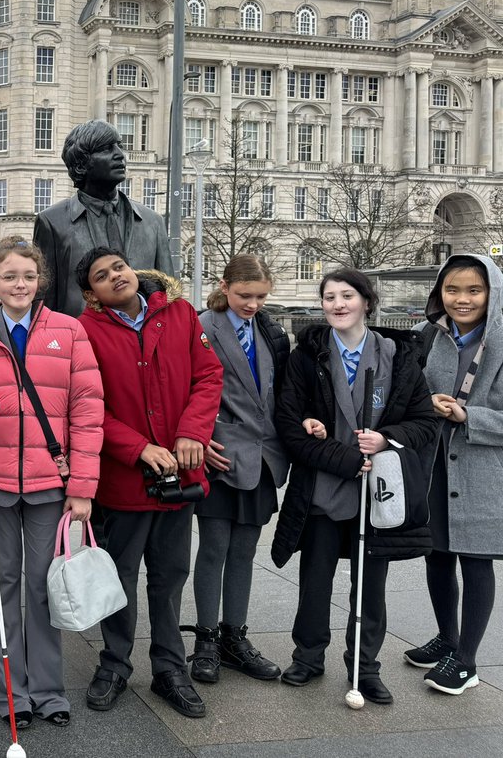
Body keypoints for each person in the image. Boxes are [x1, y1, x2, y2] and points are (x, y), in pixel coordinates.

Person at [0, 237, 104, 728]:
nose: (20, 284)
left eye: (28, 276)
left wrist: (82, 485)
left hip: (50, 483)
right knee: (3, 587)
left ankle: (48, 690)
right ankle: (10, 694)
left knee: (44, 587)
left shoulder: (69, 330)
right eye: (9, 277)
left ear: (41, 282)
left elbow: (87, 410)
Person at [272, 268, 439, 706]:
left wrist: (385, 438)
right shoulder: (306, 357)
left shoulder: (399, 357)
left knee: (370, 584)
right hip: (323, 490)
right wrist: (335, 448)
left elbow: (424, 422)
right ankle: (308, 657)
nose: (338, 304)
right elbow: (290, 424)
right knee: (315, 580)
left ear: (367, 301)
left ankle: (365, 668)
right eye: (329, 297)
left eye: (347, 296)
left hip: (378, 493)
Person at [75, 247, 222, 719]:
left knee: (169, 575)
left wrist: (192, 433)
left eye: (118, 267)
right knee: (119, 577)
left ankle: (169, 669)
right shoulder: (85, 331)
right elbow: (89, 405)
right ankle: (115, 664)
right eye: (102, 276)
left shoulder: (178, 312)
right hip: (126, 479)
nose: (115, 276)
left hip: (179, 475)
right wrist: (137, 447)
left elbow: (208, 376)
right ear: (90, 294)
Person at [185, 255, 289, 686]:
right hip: (221, 454)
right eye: (245, 295)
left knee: (245, 552)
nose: (253, 304)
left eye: (261, 297)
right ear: (224, 286)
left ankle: (234, 638)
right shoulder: (203, 326)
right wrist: (198, 435)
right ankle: (206, 640)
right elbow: (185, 386)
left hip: (262, 458)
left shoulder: (268, 329)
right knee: (213, 549)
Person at [406, 254, 503, 696]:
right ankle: (447, 639)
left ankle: (466, 660)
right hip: (434, 464)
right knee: (437, 553)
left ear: (492, 293)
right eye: (452, 290)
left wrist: (469, 415)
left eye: (474, 290)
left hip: (483, 468)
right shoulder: (428, 335)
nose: (461, 299)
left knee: (476, 559)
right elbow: (407, 391)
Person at [33, 120, 171, 318]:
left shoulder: (153, 222)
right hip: (81, 340)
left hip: (145, 340)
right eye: (106, 149)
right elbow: (44, 298)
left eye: (120, 146)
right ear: (81, 164)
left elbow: (168, 293)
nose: (120, 155)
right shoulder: (52, 222)